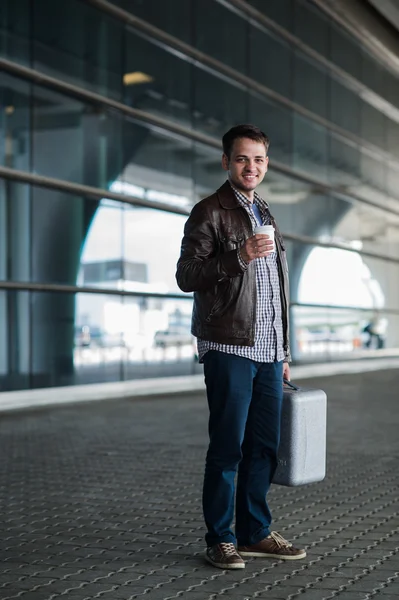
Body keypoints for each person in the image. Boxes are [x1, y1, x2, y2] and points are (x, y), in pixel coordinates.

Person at [176, 124, 306, 569]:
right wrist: (239, 257)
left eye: (259, 160)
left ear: (266, 164)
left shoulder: (265, 212)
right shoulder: (208, 211)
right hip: (228, 346)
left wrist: (283, 353)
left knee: (264, 448)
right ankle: (220, 538)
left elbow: (276, 292)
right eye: (242, 159)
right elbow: (187, 275)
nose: (251, 167)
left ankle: (255, 532)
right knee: (228, 447)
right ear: (226, 161)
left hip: (269, 353)